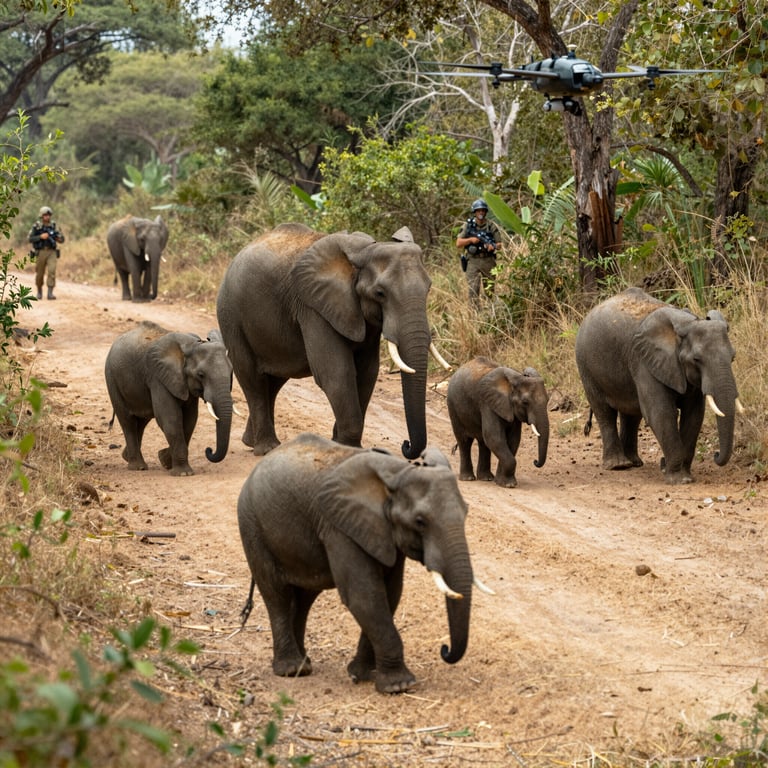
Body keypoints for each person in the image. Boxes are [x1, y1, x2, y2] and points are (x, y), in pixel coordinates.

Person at [456, 198, 500, 302]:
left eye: (483, 210)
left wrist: (493, 246)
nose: (481, 212)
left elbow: (499, 244)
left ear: (485, 212)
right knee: (473, 290)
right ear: (475, 212)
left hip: (488, 260)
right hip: (473, 261)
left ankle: (491, 314)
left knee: (490, 291)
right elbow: (458, 243)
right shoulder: (468, 225)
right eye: (478, 210)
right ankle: (473, 315)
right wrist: (471, 240)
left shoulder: (491, 225)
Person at [28, 205, 65, 300]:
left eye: (48, 215)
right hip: (40, 252)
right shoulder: (36, 226)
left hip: (51, 251)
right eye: (45, 215)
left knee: (52, 271)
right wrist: (40, 237)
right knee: (40, 273)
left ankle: (50, 293)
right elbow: (30, 238)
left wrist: (58, 238)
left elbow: (62, 239)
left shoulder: (54, 226)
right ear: (41, 216)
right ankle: (39, 291)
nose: (47, 217)